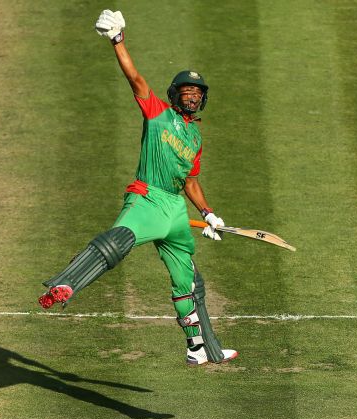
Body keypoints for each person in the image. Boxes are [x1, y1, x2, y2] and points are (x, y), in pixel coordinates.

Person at [37, 9, 237, 366]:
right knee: (119, 242)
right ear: (175, 95)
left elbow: (190, 180)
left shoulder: (195, 135)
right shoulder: (159, 113)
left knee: (189, 280)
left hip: (175, 209)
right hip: (148, 198)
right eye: (187, 91)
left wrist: (208, 214)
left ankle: (202, 348)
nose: (192, 97)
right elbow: (136, 79)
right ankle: (65, 284)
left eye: (197, 93)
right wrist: (118, 41)